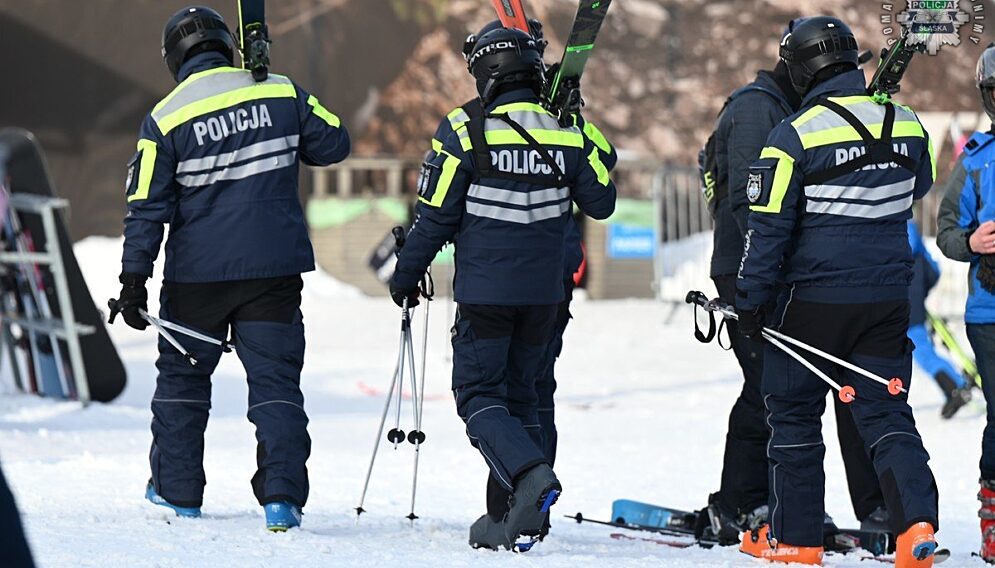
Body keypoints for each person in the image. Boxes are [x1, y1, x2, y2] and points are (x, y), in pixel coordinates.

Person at [110, 6, 350, 531]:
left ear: (174, 57)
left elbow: (146, 206)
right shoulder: (279, 88)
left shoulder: (166, 117)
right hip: (273, 274)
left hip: (197, 281)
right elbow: (335, 142)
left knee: (182, 384)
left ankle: (178, 494)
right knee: (276, 385)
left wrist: (133, 281)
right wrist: (277, 83)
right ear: (229, 42)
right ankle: (282, 501)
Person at [390, 23, 616, 552]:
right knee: (529, 399)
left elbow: (434, 216)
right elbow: (602, 199)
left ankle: (531, 477)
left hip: (487, 296)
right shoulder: (565, 130)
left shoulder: (466, 130)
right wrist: (575, 117)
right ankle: (513, 518)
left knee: (479, 396)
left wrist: (405, 274)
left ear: (484, 74)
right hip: (546, 298)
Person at [734, 16, 940, 567]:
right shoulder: (910, 123)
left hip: (811, 304)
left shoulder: (794, 134)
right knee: (887, 412)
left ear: (800, 69)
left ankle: (796, 540)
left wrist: (750, 300)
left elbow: (767, 228)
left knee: (794, 415)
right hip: (887, 300)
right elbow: (920, 183)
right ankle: (915, 527)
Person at [700, 19, 889, 545]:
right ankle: (742, 502)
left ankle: (770, 500)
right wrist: (768, 277)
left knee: (788, 389)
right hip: (751, 268)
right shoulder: (759, 108)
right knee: (768, 389)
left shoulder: (800, 111)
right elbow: (749, 205)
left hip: (784, 269)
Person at [935, 43, 995, 563]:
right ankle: (993, 523)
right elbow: (946, 230)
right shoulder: (975, 160)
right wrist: (971, 243)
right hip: (990, 314)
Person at [907, 220, 973, 419]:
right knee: (917, 344)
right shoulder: (905, 221)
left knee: (918, 344)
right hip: (912, 288)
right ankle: (955, 385)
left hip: (907, 290)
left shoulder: (898, 222)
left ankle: (955, 386)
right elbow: (933, 269)